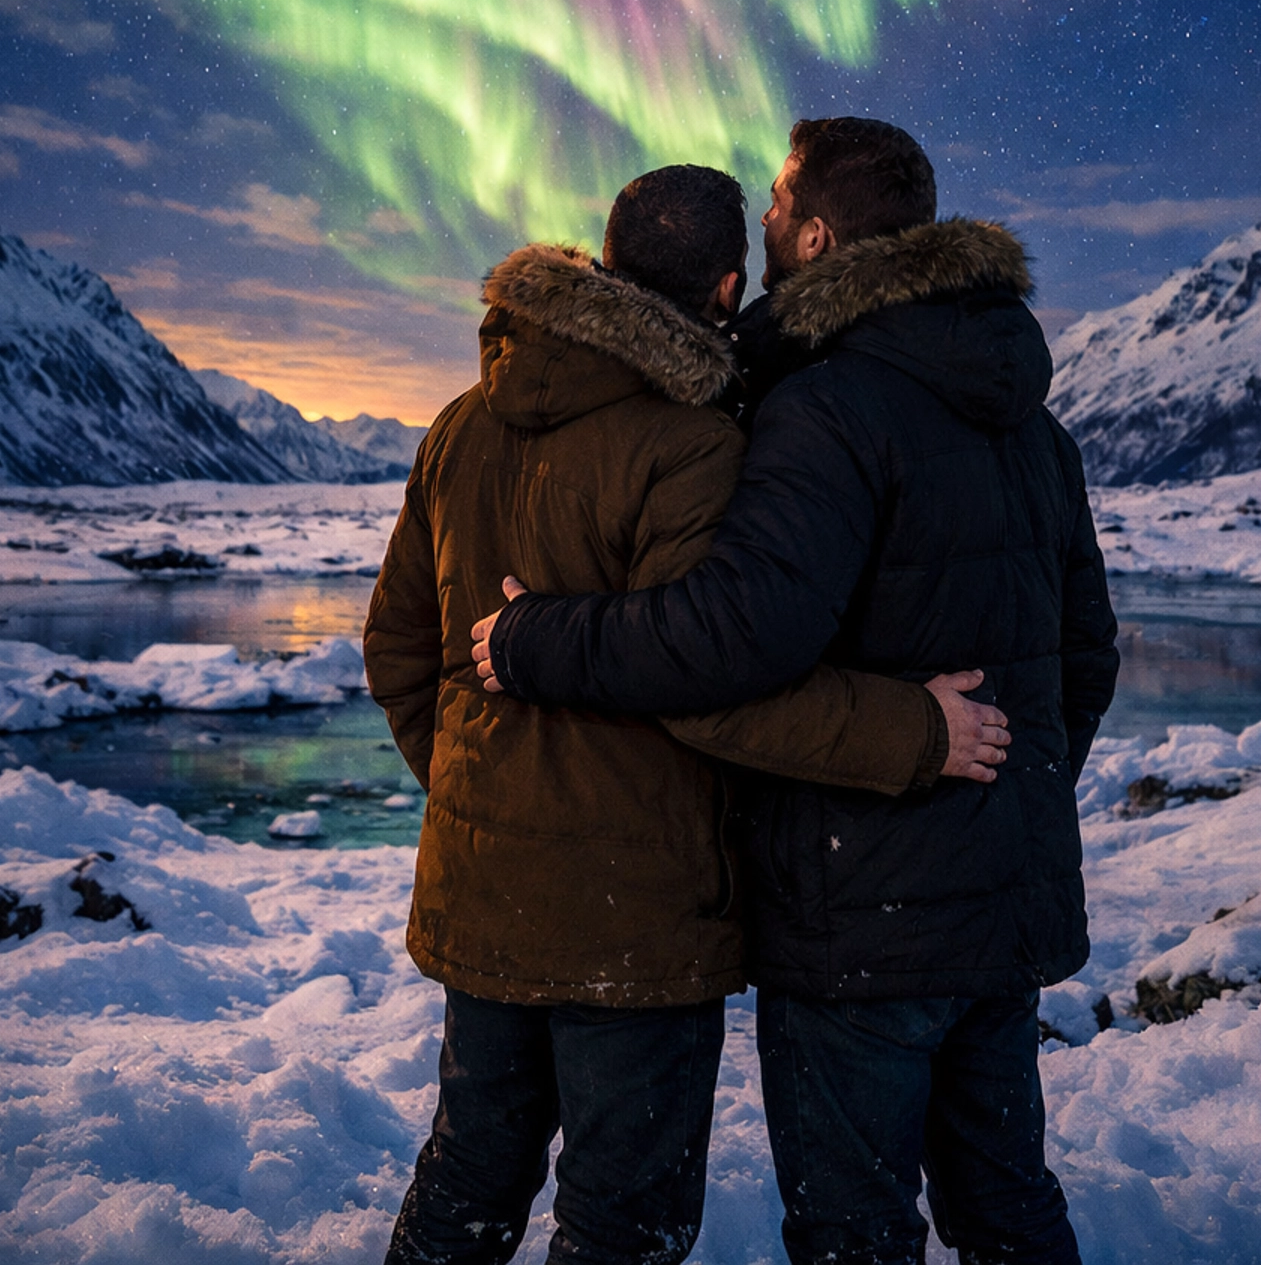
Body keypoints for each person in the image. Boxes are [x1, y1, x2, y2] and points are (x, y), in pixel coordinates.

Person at [477, 120, 1120, 1265]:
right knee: (1007, 1203)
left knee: (855, 1229)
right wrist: (1001, 796)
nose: (764, 218)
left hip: (860, 913)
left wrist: (535, 640)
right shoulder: (1035, 423)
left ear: (817, 235)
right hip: (999, 907)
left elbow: (730, 640)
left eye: (778, 200)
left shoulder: (827, 409)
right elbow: (1088, 657)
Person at [365, 161, 1012, 1265]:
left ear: (609, 259)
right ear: (724, 292)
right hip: (638, 907)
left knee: (469, 1168)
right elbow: (717, 692)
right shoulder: (692, 443)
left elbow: (397, 648)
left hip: (483, 884)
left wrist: (478, 791)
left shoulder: (462, 423)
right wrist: (914, 730)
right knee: (623, 1218)